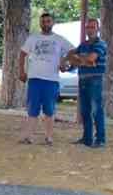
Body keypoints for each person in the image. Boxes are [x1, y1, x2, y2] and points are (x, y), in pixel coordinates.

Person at [18, 11, 75, 146]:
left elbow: (73, 50)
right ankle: (28, 137)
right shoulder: (33, 38)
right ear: (40, 23)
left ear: (53, 23)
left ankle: (49, 138)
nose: (46, 24)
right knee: (33, 109)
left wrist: (64, 61)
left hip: (51, 80)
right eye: (43, 22)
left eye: (48, 21)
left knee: (49, 110)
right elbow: (22, 54)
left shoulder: (59, 39)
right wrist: (21, 71)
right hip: (34, 79)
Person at [71, 16, 108, 147]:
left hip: (95, 79)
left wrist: (79, 58)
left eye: (93, 27)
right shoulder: (83, 44)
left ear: (98, 29)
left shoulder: (101, 44)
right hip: (83, 79)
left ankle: (100, 139)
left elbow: (92, 59)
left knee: (96, 109)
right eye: (88, 27)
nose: (90, 29)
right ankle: (87, 138)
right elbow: (71, 58)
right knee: (85, 110)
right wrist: (82, 60)